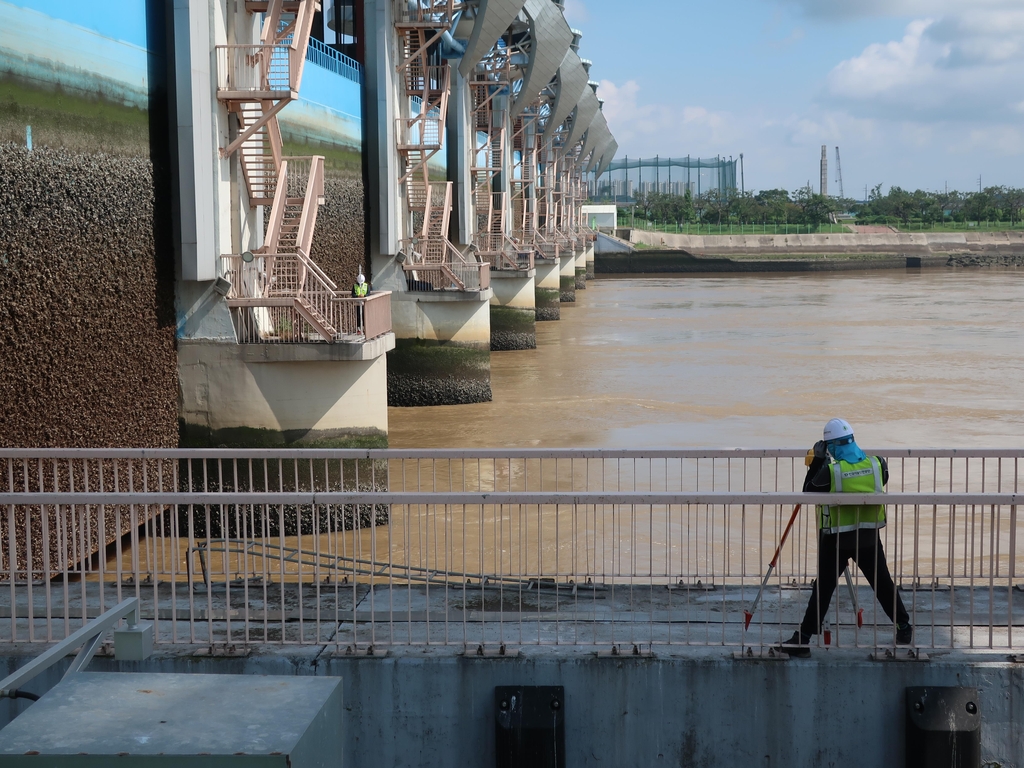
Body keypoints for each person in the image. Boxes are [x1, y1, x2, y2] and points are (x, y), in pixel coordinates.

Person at [779, 418, 912, 656]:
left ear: (830, 447)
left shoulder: (832, 471)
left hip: (837, 539)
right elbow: (881, 481)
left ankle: (803, 640)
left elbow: (809, 493)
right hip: (868, 537)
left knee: (823, 589)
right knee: (882, 584)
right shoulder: (877, 464)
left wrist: (817, 462)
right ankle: (904, 627)